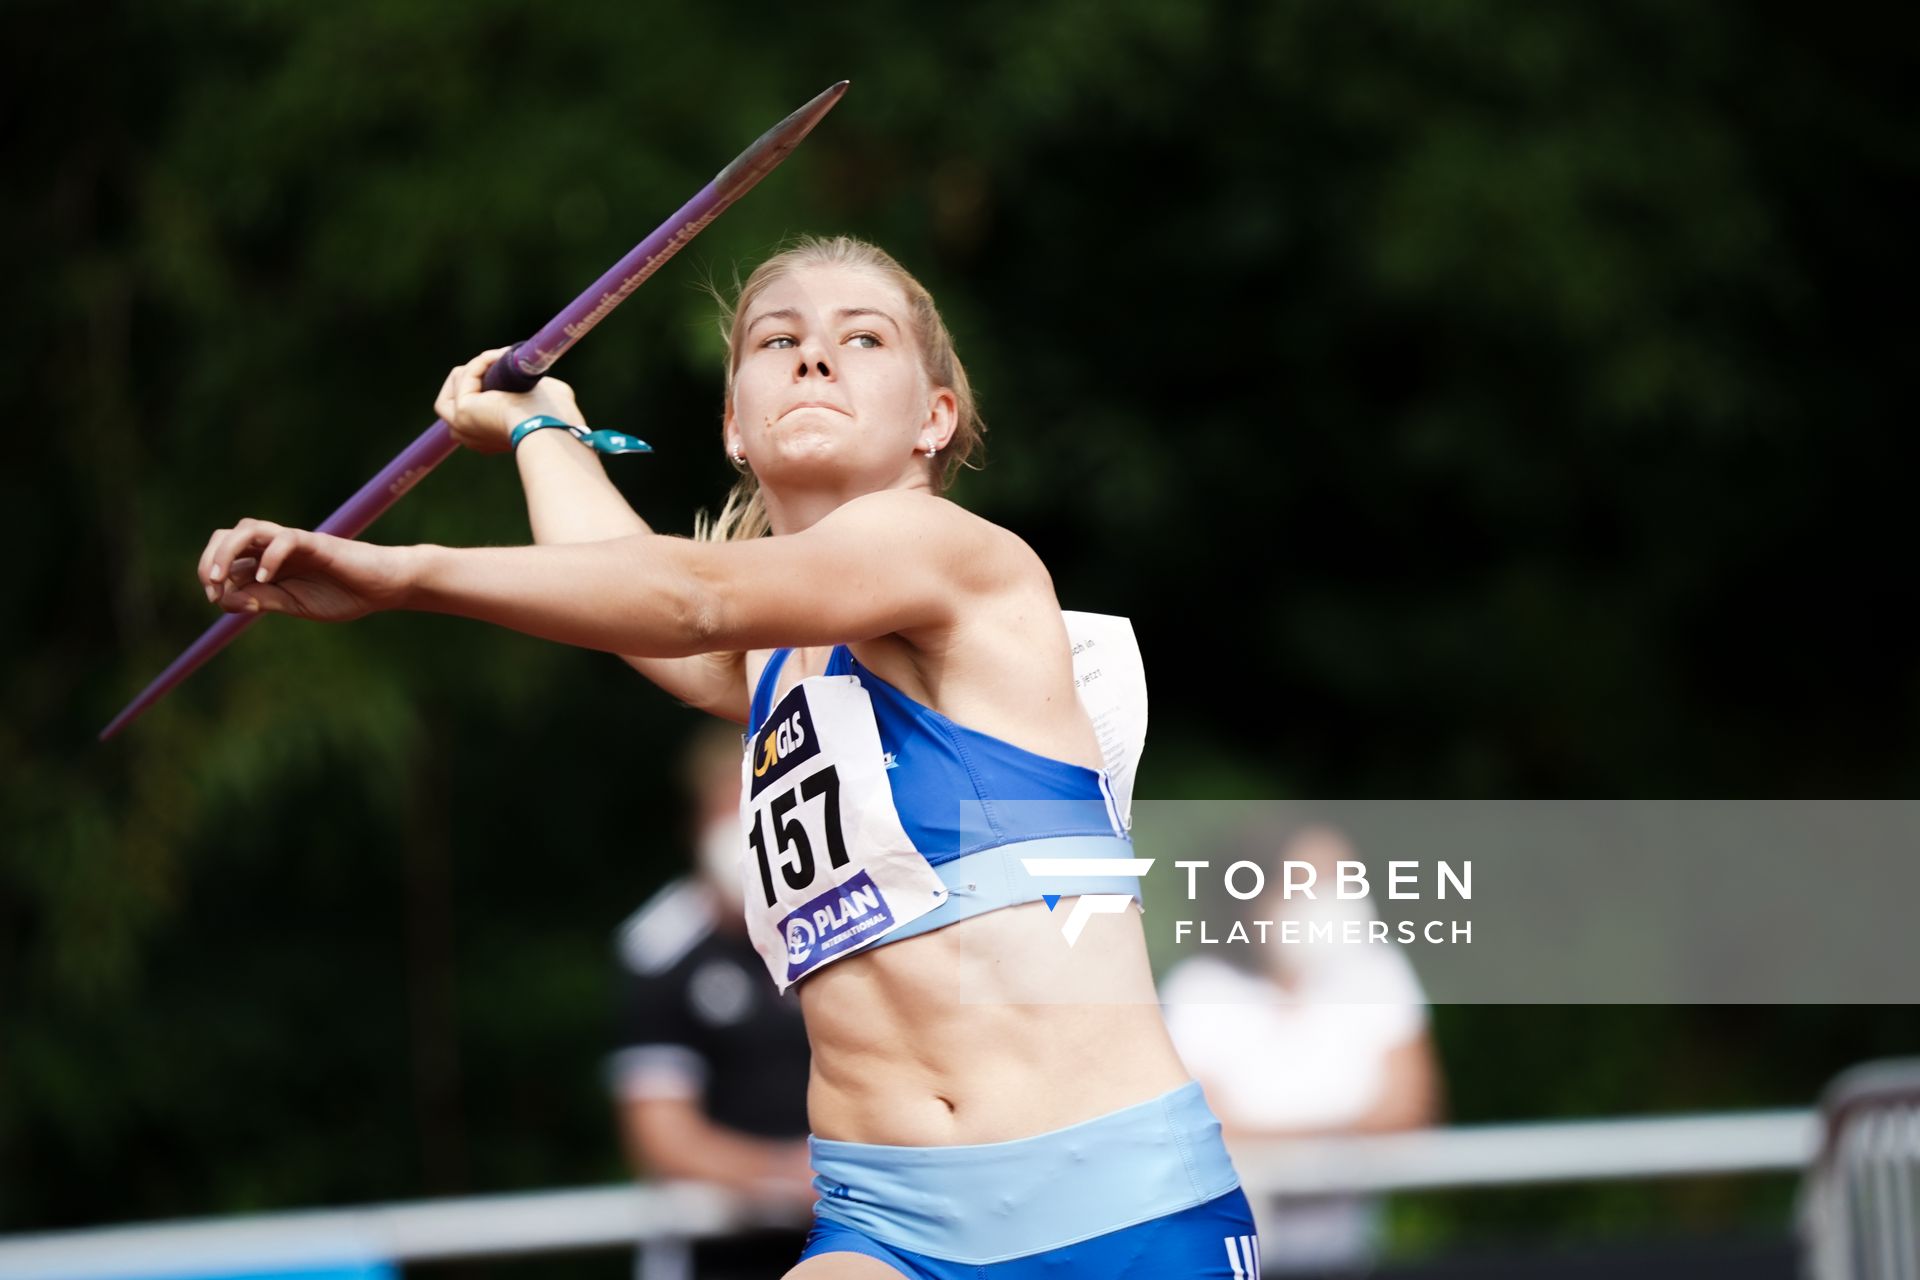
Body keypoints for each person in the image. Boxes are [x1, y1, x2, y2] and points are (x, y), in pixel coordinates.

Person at [196, 235, 1259, 1279]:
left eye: (864, 338)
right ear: (735, 427)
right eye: (777, 339)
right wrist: (538, 427)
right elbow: (633, 593)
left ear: (934, 419)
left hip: (1110, 1208)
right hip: (890, 1223)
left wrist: (403, 571)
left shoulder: (954, 557)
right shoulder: (770, 658)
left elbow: (681, 595)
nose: (812, 355)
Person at [1161, 826, 1444, 1276]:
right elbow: (1201, 1134)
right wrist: (1345, 1140)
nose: (1335, 897)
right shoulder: (1198, 988)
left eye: (1344, 878)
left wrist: (1277, 1144)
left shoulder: (1375, 970)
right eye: (1312, 882)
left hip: (1354, 1252)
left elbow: (1410, 1111)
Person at [611, 722, 814, 1278]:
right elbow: (660, 1134)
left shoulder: (840, 924)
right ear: (699, 824)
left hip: (851, 1240)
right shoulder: (661, 947)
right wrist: (790, 1175)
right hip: (716, 1256)